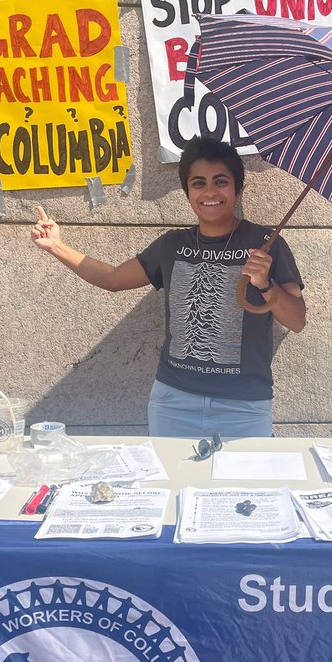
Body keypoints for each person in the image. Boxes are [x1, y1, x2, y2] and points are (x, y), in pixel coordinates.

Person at [31, 136, 306, 438]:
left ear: (237, 188)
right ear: (188, 192)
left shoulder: (267, 245)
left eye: (221, 181)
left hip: (244, 406)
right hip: (174, 402)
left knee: (243, 485)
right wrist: (56, 247)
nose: (210, 192)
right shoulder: (173, 245)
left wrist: (266, 284)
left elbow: (296, 321)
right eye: (198, 183)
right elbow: (112, 279)